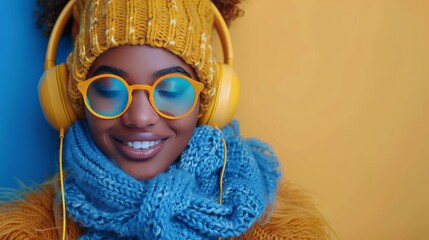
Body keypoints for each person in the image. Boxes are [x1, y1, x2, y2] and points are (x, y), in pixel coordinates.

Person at [0, 0, 330, 239]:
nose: (140, 117)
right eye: (109, 88)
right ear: (68, 102)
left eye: (171, 89)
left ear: (211, 102)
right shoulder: (35, 231)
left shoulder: (280, 230)